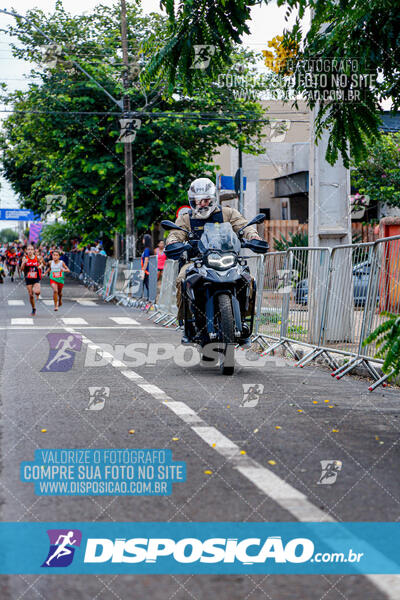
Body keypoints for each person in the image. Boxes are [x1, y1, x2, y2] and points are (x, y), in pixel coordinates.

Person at [165, 177, 262, 333]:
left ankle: (244, 318)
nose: (202, 203)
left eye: (206, 199)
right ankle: (188, 320)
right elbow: (176, 233)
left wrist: (253, 236)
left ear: (213, 198)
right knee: (182, 279)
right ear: (192, 201)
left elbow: (244, 226)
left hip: (227, 259)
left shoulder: (228, 213)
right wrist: (172, 242)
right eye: (198, 200)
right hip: (196, 261)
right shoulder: (186, 218)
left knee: (248, 279)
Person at [21, 244, 42, 315]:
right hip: (28, 278)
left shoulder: (37, 258)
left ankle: (37, 292)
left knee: (37, 292)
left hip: (36, 277)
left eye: (31, 249)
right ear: (26, 251)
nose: (30, 251)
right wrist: (24, 263)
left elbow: (42, 264)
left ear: (33, 251)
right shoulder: (24, 258)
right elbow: (22, 269)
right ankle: (33, 309)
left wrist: (40, 266)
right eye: (28, 249)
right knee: (31, 295)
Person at [140, 234, 153, 300]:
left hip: (146, 270)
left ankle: (149, 298)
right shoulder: (146, 249)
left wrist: (143, 270)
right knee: (145, 284)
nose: (142, 240)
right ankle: (148, 298)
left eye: (143, 239)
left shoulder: (147, 250)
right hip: (145, 270)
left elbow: (146, 260)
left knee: (147, 284)